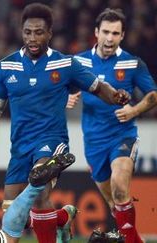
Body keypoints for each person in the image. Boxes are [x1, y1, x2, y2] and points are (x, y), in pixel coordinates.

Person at [0, 3, 130, 243]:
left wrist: (116, 96)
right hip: (20, 147)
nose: (32, 38)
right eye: (28, 32)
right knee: (12, 218)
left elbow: (97, 87)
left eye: (39, 32)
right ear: (21, 32)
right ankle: (62, 218)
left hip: (51, 141)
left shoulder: (65, 65)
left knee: (39, 184)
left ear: (49, 33)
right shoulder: (6, 66)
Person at [71, 8, 157, 243]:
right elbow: (60, 87)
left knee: (120, 187)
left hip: (122, 136)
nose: (109, 38)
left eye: (115, 33)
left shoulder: (132, 63)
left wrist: (134, 110)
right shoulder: (78, 62)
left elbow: (153, 95)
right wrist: (67, 97)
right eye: (106, 32)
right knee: (114, 203)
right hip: (93, 142)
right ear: (96, 33)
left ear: (122, 36)